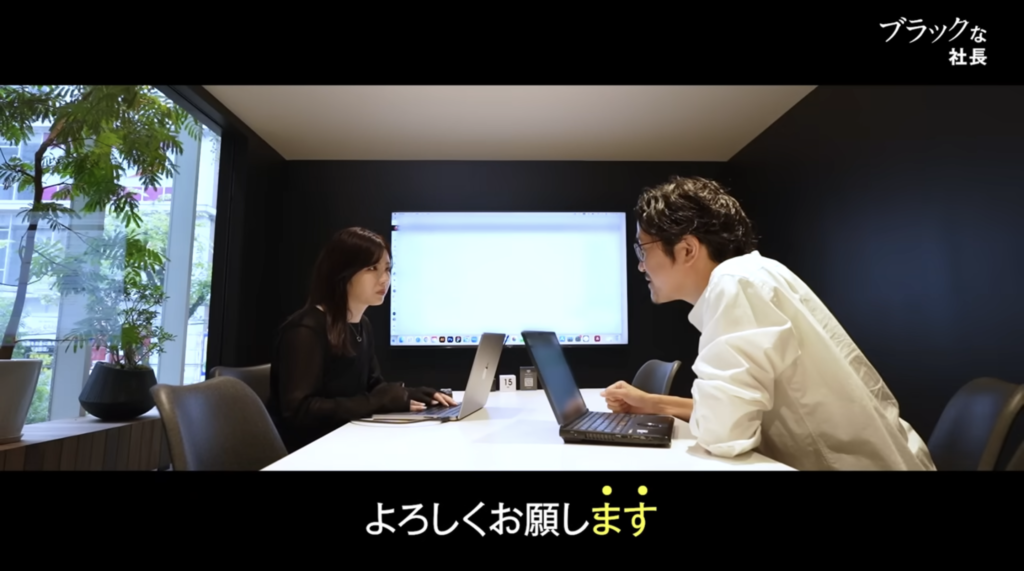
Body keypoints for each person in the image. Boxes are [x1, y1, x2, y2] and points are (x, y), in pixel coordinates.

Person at [601, 176, 935, 471]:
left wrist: (665, 407)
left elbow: (724, 435)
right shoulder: (753, 274)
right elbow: (740, 412)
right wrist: (656, 403)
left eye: (642, 250)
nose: (641, 266)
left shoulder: (734, 283)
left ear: (687, 249)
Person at [268, 227, 455, 452]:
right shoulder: (305, 330)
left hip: (348, 441)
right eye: (372, 268)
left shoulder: (362, 324)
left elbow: (373, 387)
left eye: (387, 269)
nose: (385, 279)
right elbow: (300, 411)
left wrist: (411, 395)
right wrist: (380, 401)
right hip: (311, 452)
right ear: (342, 272)